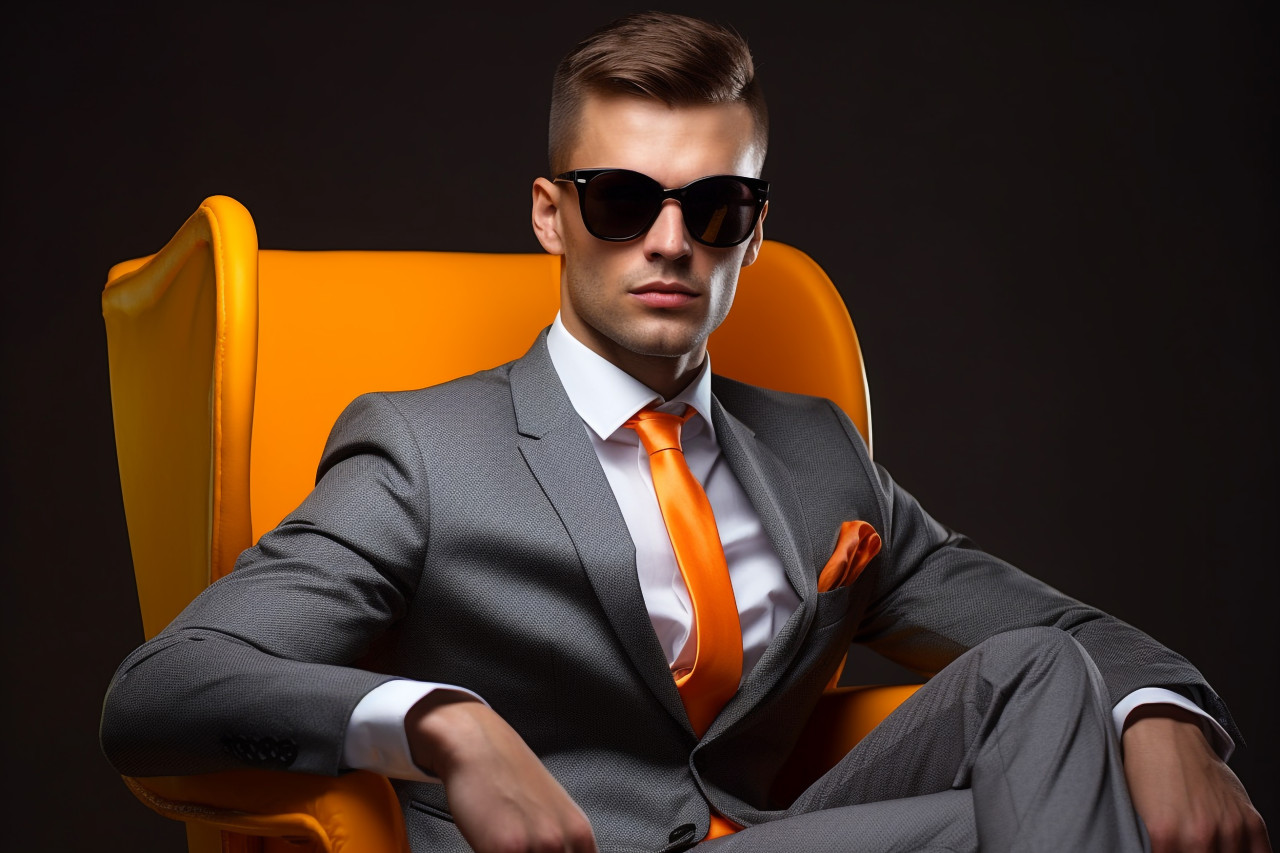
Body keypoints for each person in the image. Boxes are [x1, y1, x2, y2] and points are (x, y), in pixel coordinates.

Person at [101, 11, 1269, 853]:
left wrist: (1159, 713)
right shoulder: (420, 451)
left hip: (773, 834)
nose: (669, 243)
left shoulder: (817, 453)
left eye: (712, 209)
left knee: (1044, 682)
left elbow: (1045, 630)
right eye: (620, 201)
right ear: (551, 217)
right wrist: (438, 723)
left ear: (753, 233)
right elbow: (163, 691)